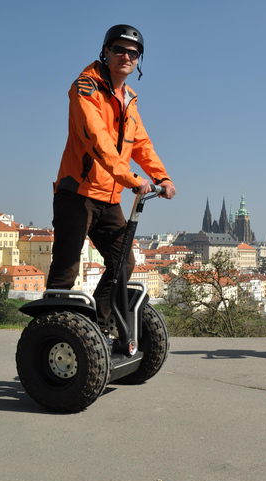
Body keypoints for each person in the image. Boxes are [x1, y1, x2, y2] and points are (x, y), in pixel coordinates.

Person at [46, 24, 176, 334]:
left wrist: (162, 177)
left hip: (109, 198)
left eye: (134, 53)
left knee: (123, 263)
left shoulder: (128, 98)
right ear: (106, 52)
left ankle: (98, 327)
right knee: (67, 268)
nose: (126, 56)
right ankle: (50, 333)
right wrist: (131, 178)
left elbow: (141, 144)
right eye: (119, 50)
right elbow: (97, 140)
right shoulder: (86, 87)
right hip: (77, 193)